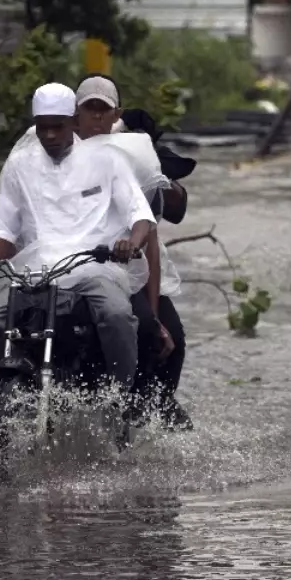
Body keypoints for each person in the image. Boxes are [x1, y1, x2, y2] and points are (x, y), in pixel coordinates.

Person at [0, 82, 157, 407]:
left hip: (93, 267)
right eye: (43, 128)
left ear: (73, 122)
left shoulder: (107, 161)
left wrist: (130, 243)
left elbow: (141, 216)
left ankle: (120, 399)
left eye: (58, 126)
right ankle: (0, 406)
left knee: (117, 314)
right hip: (32, 270)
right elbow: (3, 233)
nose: (50, 135)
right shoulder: (19, 165)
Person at [73, 75, 195, 430]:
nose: (96, 118)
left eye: (103, 110)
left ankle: (150, 410)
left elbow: (156, 231)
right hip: (63, 261)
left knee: (164, 334)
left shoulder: (133, 156)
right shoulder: (50, 153)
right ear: (73, 114)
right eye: (88, 109)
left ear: (116, 115)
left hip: (125, 263)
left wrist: (152, 165)